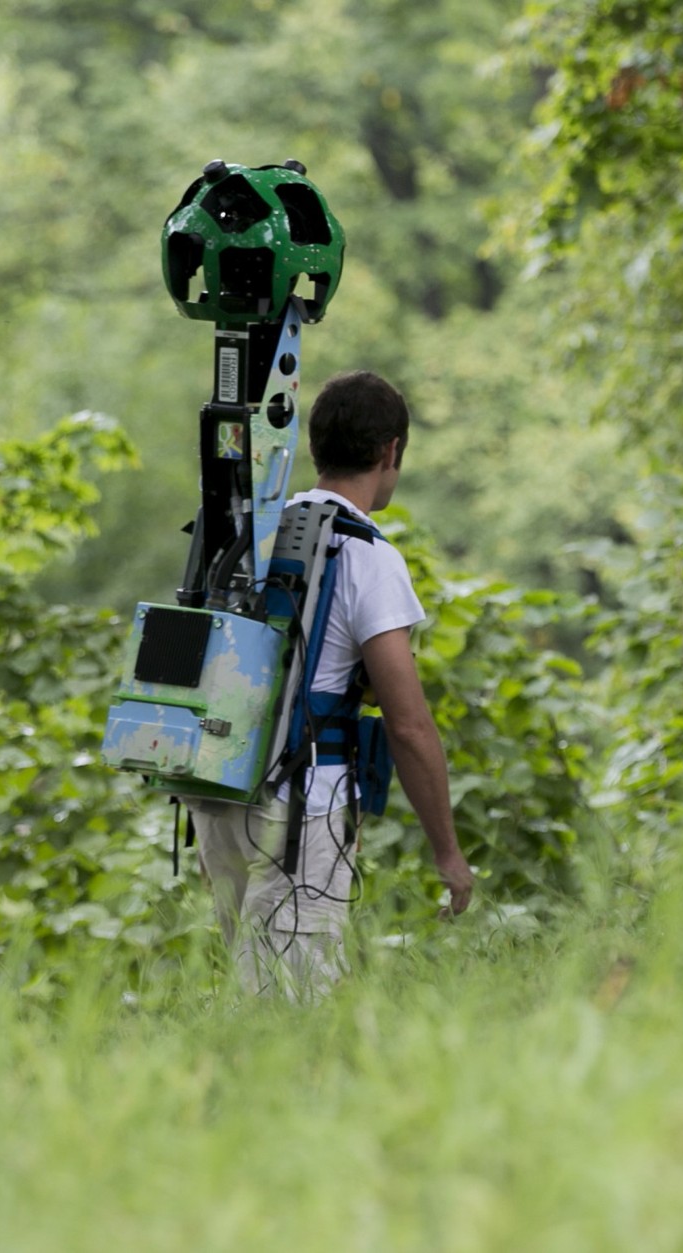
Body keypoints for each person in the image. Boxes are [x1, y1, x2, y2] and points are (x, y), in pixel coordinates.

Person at [190, 370, 473, 998]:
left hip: (220, 789)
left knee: (251, 981)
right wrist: (448, 853)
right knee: (290, 1007)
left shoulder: (255, 531)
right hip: (301, 807)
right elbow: (407, 723)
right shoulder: (368, 556)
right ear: (389, 451)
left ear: (316, 445)